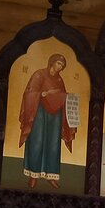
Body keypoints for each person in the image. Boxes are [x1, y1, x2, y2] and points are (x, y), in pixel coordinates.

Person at [19, 53, 76, 189]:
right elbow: (29, 94)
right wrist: (43, 94)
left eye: (62, 65)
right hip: (39, 110)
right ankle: (33, 175)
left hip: (55, 114)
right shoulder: (39, 75)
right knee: (37, 140)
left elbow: (63, 95)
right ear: (52, 62)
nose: (60, 67)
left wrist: (67, 97)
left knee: (53, 143)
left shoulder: (59, 80)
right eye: (58, 63)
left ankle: (51, 175)